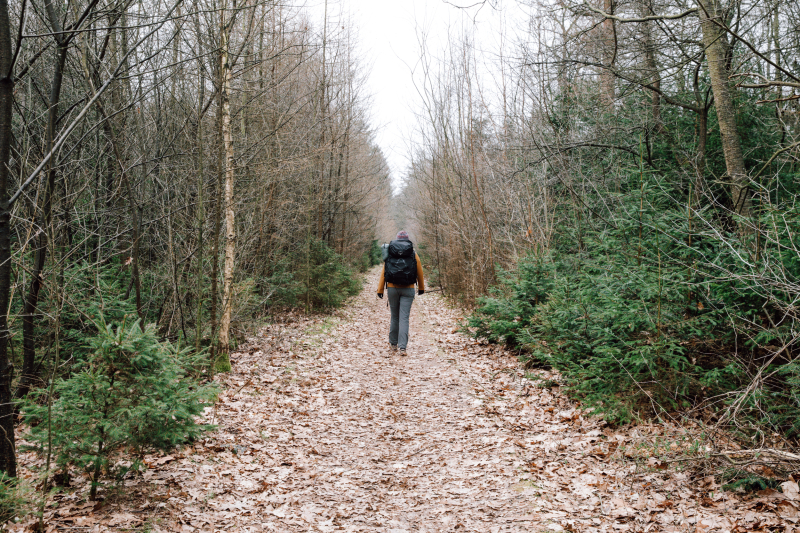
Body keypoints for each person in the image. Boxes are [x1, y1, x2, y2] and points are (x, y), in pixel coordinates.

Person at [377, 231, 425, 355]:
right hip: (408, 288)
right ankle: (402, 347)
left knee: (394, 317)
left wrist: (380, 289)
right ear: (407, 241)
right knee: (404, 318)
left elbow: (384, 271)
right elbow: (419, 271)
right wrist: (421, 288)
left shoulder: (391, 253)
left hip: (392, 288)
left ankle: (393, 345)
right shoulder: (413, 253)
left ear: (397, 240)